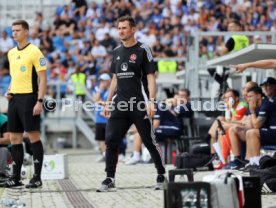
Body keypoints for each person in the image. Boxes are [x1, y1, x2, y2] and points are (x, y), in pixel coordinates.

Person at [97, 16, 166, 192]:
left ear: (133, 29)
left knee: (149, 140)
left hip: (139, 104)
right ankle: (109, 178)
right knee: (111, 141)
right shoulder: (117, 51)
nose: (121, 31)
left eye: (124, 28)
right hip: (120, 105)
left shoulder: (144, 49)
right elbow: (115, 79)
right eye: (119, 28)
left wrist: (151, 101)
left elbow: (151, 78)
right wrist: (107, 102)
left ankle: (161, 175)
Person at [4, 20, 47, 188]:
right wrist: (9, 90)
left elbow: (43, 79)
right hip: (14, 99)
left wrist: (40, 101)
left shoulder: (35, 52)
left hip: (30, 98)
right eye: (12, 30)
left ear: (26, 32)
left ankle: (37, 177)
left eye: (17, 30)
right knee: (14, 137)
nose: (14, 33)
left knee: (33, 135)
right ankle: (15, 178)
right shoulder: (11, 53)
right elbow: (14, 77)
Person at [93, 73, 111, 162]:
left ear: (109, 81)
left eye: (104, 81)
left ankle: (111, 154)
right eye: (101, 81)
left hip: (109, 118)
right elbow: (95, 100)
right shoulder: (97, 89)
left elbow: (110, 101)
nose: (102, 82)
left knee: (109, 138)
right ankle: (104, 155)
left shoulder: (112, 89)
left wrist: (102, 102)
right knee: (101, 138)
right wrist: (100, 90)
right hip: (99, 119)